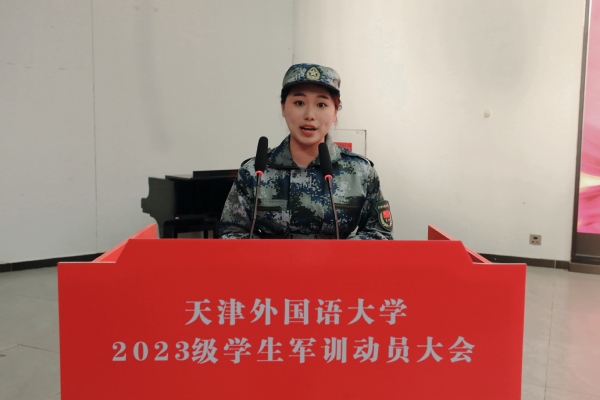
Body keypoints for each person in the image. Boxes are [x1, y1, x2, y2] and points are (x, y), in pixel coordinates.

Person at [218, 63, 393, 240]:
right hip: (271, 259)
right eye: (299, 103)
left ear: (335, 112)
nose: (310, 115)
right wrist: (274, 254)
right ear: (283, 107)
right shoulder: (255, 172)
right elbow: (232, 233)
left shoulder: (360, 173)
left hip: (338, 259)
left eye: (321, 104)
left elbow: (380, 235)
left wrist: (338, 253)